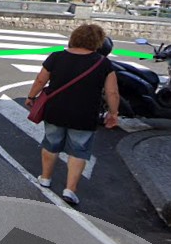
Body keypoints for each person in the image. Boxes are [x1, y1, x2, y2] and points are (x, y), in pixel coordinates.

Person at [24, 24, 119, 205]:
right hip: (85, 114)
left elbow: (40, 79)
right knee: (79, 150)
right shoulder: (103, 63)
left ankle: (45, 178)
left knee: (51, 143)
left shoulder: (57, 57)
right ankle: (70, 190)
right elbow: (112, 92)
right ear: (98, 42)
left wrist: (31, 96)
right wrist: (113, 113)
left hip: (55, 110)